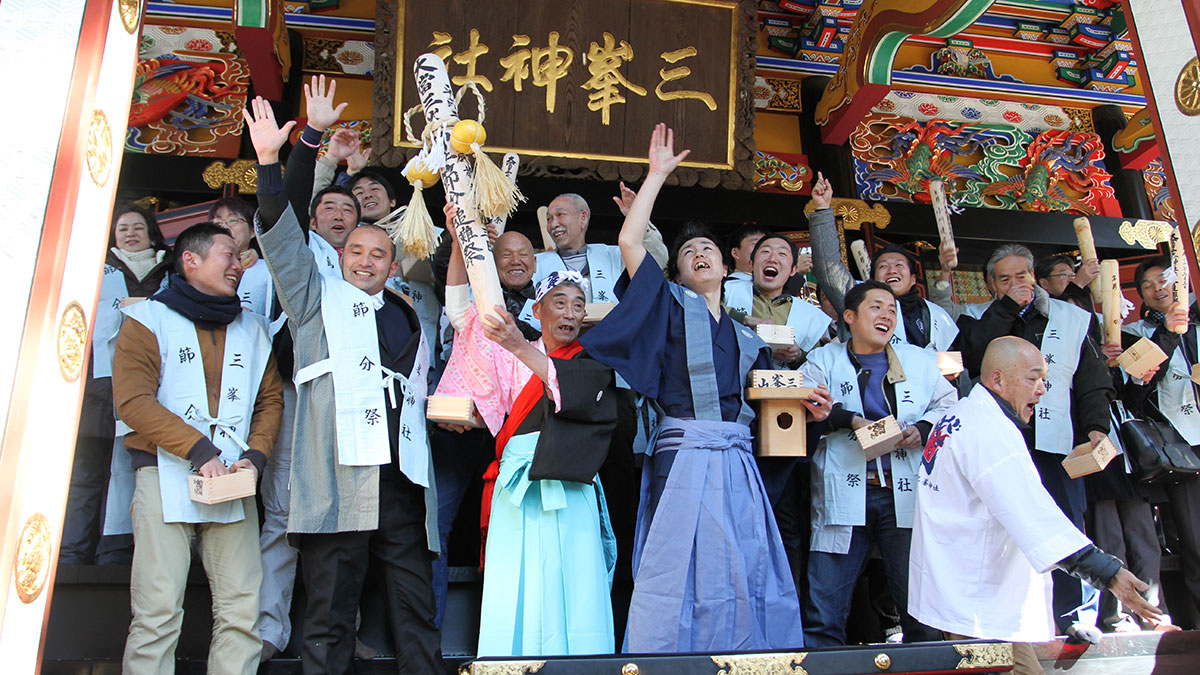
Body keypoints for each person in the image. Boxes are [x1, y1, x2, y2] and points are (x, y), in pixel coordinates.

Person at [582, 124, 833, 652]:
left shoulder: (749, 339)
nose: (699, 253)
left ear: (726, 265)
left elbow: (774, 413)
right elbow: (630, 241)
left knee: (744, 556)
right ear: (675, 271)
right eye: (688, 251)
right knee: (679, 560)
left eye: (708, 248)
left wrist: (807, 408)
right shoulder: (668, 303)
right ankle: (668, 656)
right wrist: (656, 176)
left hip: (737, 458)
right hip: (684, 452)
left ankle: (744, 655)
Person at [244, 96, 442, 674]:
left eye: (379, 254)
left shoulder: (405, 312)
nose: (366, 261)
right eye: (356, 250)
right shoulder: (313, 297)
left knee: (414, 599)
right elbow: (280, 233)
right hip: (337, 471)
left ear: (392, 265)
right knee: (330, 605)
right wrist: (282, 155)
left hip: (399, 474)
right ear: (339, 254)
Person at [910, 336, 1161, 675]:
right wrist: (1107, 572)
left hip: (964, 590)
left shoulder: (962, 415)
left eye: (1044, 378)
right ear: (998, 379)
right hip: (979, 604)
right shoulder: (987, 430)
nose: (1042, 389)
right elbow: (1030, 514)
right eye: (1032, 378)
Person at [436, 216, 619, 655]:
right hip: (517, 482)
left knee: (572, 578)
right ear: (537, 310)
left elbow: (569, 390)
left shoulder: (589, 360)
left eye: (578, 305)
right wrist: (460, 242)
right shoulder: (511, 350)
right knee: (514, 579)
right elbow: (461, 311)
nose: (570, 313)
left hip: (569, 481)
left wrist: (516, 344)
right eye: (560, 302)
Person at [114, 221, 283, 674]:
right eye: (228, 254)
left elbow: (270, 400)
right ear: (190, 259)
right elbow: (132, 400)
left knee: (241, 610)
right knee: (157, 611)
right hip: (163, 472)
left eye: (241, 257)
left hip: (234, 477)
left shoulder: (252, 327)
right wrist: (199, 450)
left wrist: (256, 457)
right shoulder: (147, 319)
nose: (238, 264)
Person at [957, 243, 1113, 642]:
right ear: (990, 285)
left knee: (1064, 520)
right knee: (1001, 528)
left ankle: (1074, 615)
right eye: (1004, 279)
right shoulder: (977, 317)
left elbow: (1092, 379)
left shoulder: (1071, 317)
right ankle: (1004, 621)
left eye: (1022, 276)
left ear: (1035, 278)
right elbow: (970, 358)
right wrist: (1006, 309)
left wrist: (1096, 427)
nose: (1015, 284)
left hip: (1055, 440)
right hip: (998, 441)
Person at [801, 280, 956, 647]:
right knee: (825, 608)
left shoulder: (919, 361)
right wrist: (849, 419)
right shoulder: (823, 360)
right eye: (876, 307)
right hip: (844, 490)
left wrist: (922, 428)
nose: (886, 315)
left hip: (903, 491)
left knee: (919, 605)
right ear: (849, 317)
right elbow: (801, 400)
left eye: (891, 309)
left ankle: (926, 667)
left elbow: (950, 405)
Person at [63, 204, 172, 566]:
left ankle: (118, 549)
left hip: (152, 387)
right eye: (122, 228)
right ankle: (72, 551)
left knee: (136, 470)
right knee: (87, 470)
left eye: (137, 227)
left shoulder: (171, 270)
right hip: (98, 385)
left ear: (151, 233)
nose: (130, 234)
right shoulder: (94, 267)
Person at [1122, 257, 1200, 624]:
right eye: (1147, 285)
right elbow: (1135, 394)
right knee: (1194, 539)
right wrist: (1167, 333)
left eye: (1163, 280)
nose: (1158, 289)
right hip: (1179, 448)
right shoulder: (1134, 333)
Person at [808, 173, 958, 351]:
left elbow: (952, 362)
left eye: (899, 265)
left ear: (913, 279)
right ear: (873, 280)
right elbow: (829, 267)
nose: (892, 270)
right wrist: (823, 209)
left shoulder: (935, 315)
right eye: (883, 267)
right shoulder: (858, 302)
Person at [727, 233, 832, 368]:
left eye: (782, 254)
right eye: (765, 252)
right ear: (751, 264)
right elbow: (705, 313)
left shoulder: (812, 317)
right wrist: (745, 319)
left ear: (793, 270)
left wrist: (798, 355)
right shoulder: (725, 290)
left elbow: (822, 366)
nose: (772, 259)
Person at [723, 224, 767, 316]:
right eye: (757, 245)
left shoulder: (774, 288)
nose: (763, 250)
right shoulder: (725, 287)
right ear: (735, 253)